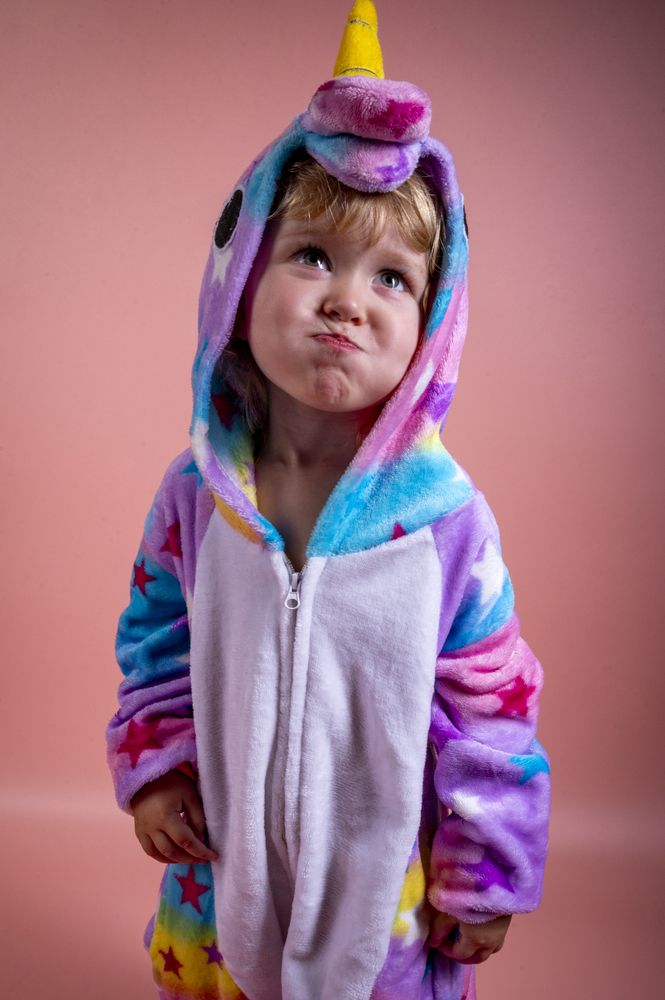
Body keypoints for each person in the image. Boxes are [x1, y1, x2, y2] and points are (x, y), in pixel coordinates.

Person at [106, 4, 550, 999]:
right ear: (239, 280)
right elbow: (156, 640)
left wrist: (483, 868)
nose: (346, 299)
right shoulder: (197, 497)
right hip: (220, 872)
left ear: (432, 324)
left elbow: (492, 709)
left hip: (381, 895)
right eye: (311, 255)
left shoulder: (445, 526)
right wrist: (161, 768)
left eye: (391, 277)